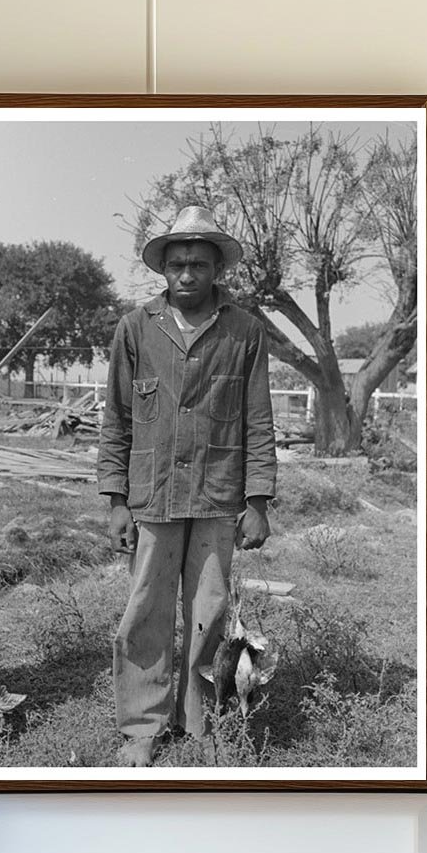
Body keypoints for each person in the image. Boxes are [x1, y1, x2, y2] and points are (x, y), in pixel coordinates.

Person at [97, 205, 278, 767]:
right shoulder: (135, 329)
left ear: (217, 268)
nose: (186, 274)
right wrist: (116, 500)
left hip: (219, 494)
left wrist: (258, 501)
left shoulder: (245, 331)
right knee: (146, 609)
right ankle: (142, 727)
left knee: (210, 608)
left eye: (198, 264)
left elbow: (258, 418)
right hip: (151, 495)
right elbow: (117, 419)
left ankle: (200, 719)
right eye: (176, 264)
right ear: (163, 269)